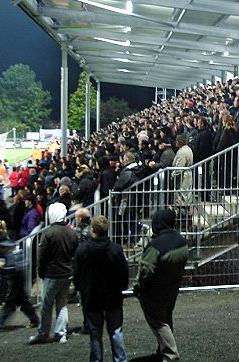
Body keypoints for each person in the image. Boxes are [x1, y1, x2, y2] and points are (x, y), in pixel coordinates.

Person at [133, 210, 188, 362]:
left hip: (154, 291)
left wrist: (138, 288)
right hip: (172, 287)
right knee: (166, 318)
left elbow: (146, 271)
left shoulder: (156, 245)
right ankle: (161, 350)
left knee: (158, 322)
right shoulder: (181, 240)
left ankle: (171, 355)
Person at [73, 215, 129, 362]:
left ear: (92, 230)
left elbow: (77, 275)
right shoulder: (116, 250)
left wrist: (81, 289)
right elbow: (124, 274)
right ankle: (120, 359)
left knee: (95, 335)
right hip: (112, 296)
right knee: (116, 332)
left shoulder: (82, 250)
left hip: (91, 297)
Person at [29, 202, 79, 345]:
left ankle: (43, 333)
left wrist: (40, 272)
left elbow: (42, 256)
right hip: (67, 273)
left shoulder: (48, 233)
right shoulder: (72, 232)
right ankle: (61, 333)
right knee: (62, 304)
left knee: (46, 305)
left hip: (52, 274)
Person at [0, 239, 40, 330]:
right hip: (18, 278)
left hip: (17, 279)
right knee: (23, 303)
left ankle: (0, 321)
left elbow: (12, 268)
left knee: (12, 301)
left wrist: (1, 267)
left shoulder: (11, 255)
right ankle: (35, 321)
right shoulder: (16, 252)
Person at [171, 134, 194, 230]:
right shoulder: (188, 149)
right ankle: (186, 222)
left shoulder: (182, 152)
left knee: (182, 200)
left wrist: (171, 174)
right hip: (187, 176)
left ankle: (183, 223)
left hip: (182, 179)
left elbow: (179, 168)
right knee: (186, 199)